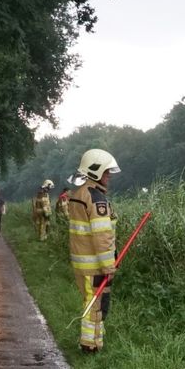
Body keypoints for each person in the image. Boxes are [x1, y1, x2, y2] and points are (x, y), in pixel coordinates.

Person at [67, 150, 120, 353]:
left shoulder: (78, 194)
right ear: (95, 172)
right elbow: (102, 236)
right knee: (95, 304)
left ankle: (95, 341)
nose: (109, 176)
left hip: (81, 261)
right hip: (94, 264)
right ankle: (90, 345)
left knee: (92, 301)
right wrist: (109, 265)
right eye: (106, 172)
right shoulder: (95, 198)